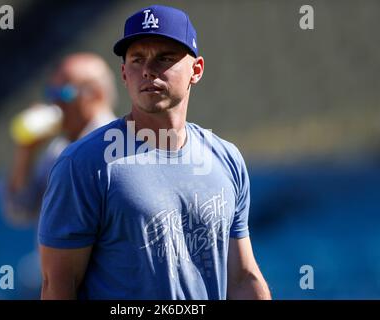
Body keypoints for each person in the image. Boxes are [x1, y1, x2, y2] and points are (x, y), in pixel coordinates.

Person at [38, 5, 271, 300]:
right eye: (137, 59)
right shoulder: (83, 164)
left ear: (196, 70)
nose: (148, 70)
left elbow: (242, 279)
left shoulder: (227, 159)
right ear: (124, 73)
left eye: (165, 58)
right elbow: (58, 285)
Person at [0, 53, 117, 226]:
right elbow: (19, 210)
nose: (55, 102)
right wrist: (27, 150)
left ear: (96, 94)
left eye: (64, 93)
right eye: (51, 93)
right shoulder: (58, 148)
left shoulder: (116, 145)